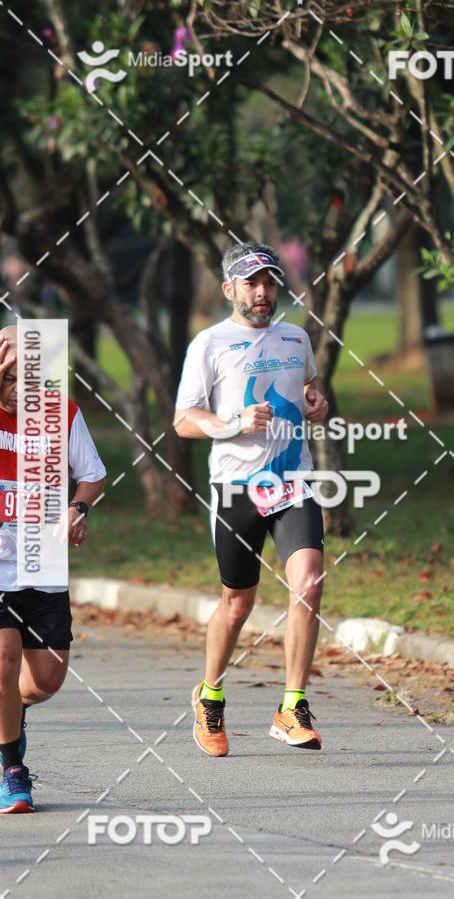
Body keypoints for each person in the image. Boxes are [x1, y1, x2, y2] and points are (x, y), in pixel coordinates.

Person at [174, 242, 328, 757]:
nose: (263, 293)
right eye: (251, 284)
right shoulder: (210, 344)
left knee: (308, 582)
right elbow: (183, 418)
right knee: (237, 602)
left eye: (269, 283)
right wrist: (231, 424)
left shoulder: (296, 336)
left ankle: (291, 707)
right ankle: (211, 694)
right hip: (236, 488)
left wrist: (316, 398)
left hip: (292, 481)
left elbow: (310, 386)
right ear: (229, 290)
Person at [0, 325, 106, 812]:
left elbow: (92, 475)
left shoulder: (61, 414)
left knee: (46, 678)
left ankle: (10, 715)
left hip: (43, 561)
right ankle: (11, 770)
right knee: (3, 661)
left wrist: (78, 509)